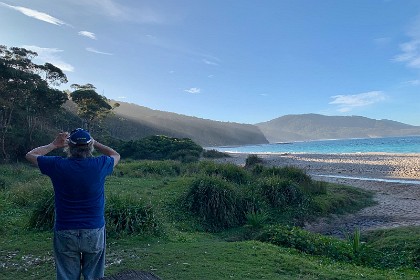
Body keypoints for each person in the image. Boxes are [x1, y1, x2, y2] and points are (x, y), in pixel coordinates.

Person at [25, 128, 120, 280]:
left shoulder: (57, 165)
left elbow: (30, 155)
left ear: (69, 147)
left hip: (65, 230)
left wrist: (54, 144)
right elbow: (115, 155)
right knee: (95, 277)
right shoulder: (100, 164)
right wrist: (95, 142)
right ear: (90, 147)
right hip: (94, 230)